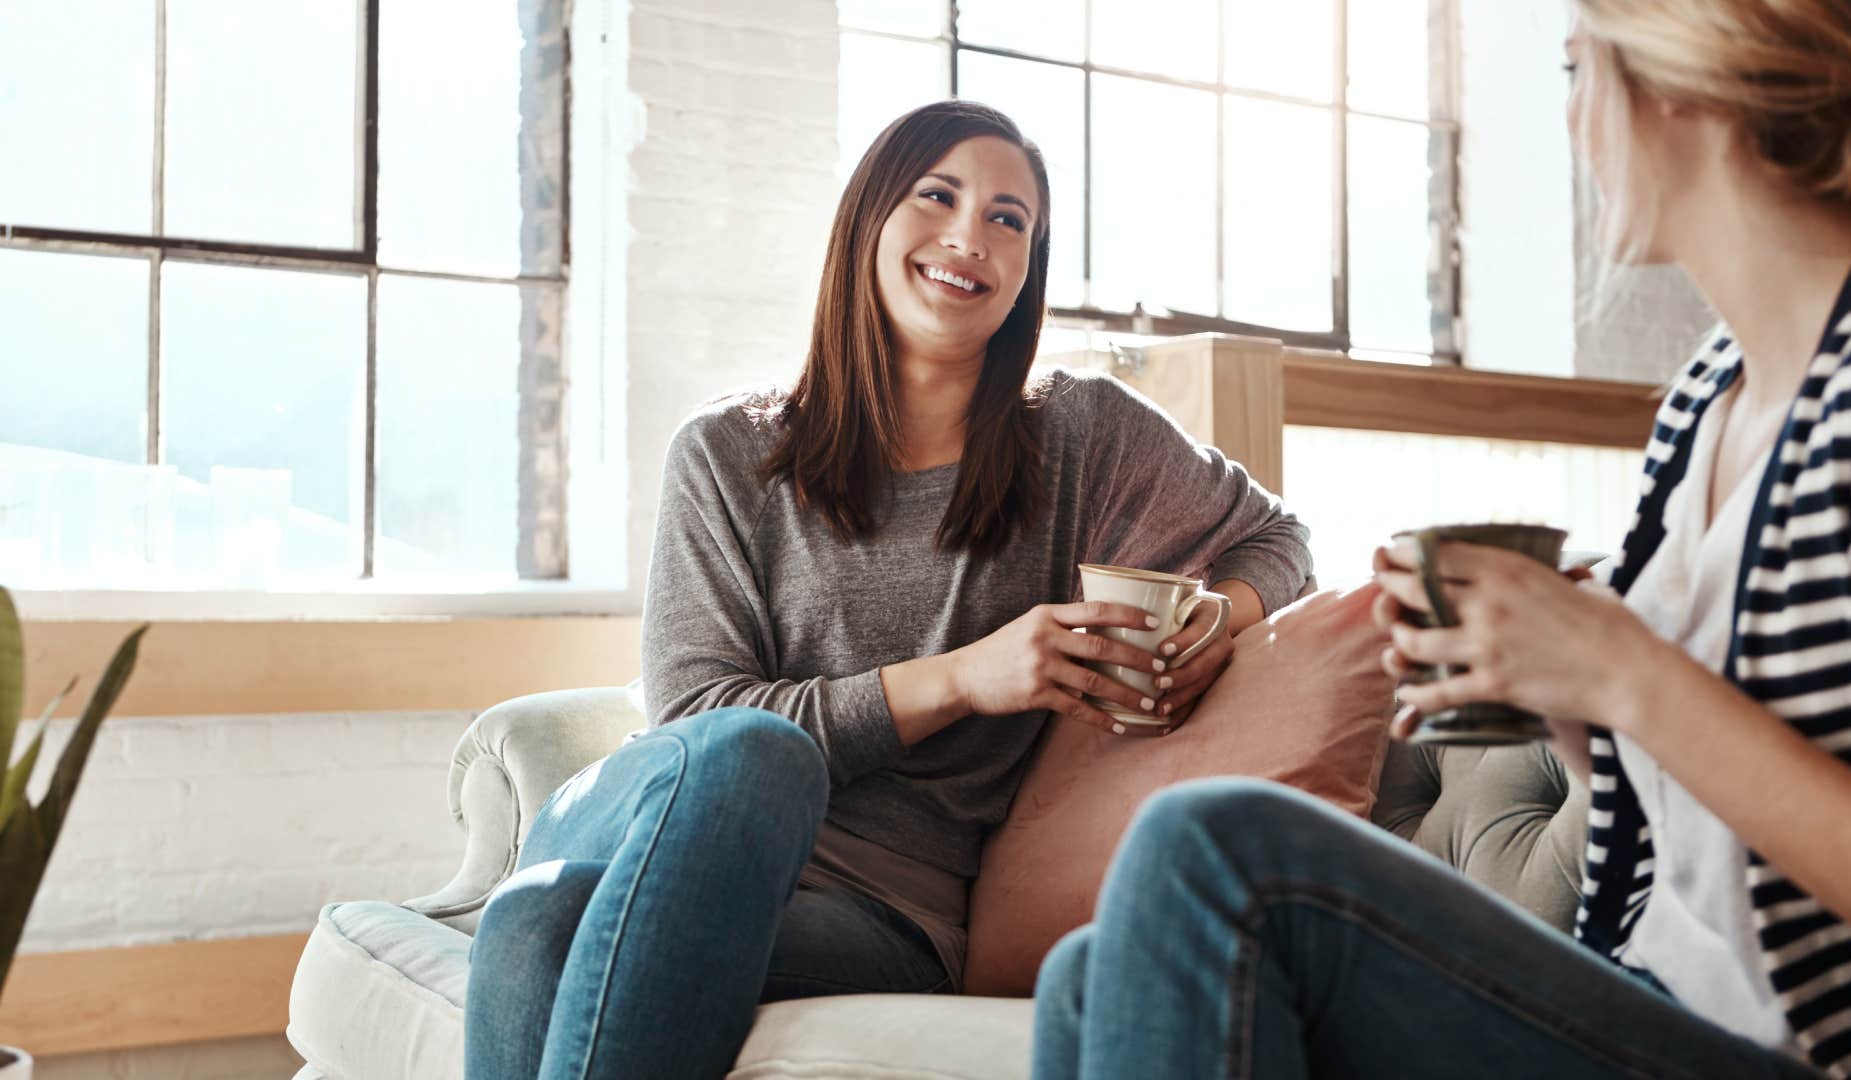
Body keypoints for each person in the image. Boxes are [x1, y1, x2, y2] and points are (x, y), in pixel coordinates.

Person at [1031, 1, 1851, 1077]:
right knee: (1092, 973)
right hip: (1655, 994)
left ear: (1684, 78)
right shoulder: (1709, 396)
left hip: (1826, 1053)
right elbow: (1674, 808)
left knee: (1211, 852)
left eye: (1572, 68)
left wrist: (1626, 670)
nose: (1572, 119)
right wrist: (1554, 681)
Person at [462, 100, 1313, 1080]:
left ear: (1027, 267)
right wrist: (964, 680)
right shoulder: (727, 453)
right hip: (656, 829)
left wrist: (1223, 614)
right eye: (938, 195)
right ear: (869, 217)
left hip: (887, 913)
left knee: (536, 925)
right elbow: (694, 720)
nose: (968, 236)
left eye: (1008, 219)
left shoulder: (1083, 436)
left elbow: (1277, 539)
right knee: (752, 757)